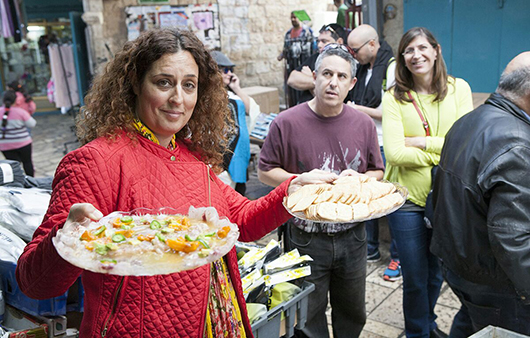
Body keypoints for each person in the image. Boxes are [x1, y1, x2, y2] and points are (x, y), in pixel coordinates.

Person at [15, 28, 337, 338]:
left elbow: (243, 221)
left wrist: (293, 190)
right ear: (135, 83)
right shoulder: (96, 162)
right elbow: (34, 284)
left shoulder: (192, 159)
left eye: (189, 85)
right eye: (164, 82)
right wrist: (67, 239)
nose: (178, 99)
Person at [259, 45, 384, 338]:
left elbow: (377, 171)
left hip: (353, 236)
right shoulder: (286, 122)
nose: (333, 82)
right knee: (307, 316)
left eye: (342, 76)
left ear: (352, 83)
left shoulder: (363, 124)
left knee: (353, 312)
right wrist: (299, 179)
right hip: (305, 236)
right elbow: (264, 172)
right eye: (327, 73)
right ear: (314, 77)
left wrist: (361, 178)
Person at [430, 52, 530, 337]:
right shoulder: (519, 145)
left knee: (473, 319)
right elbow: (513, 240)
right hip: (494, 282)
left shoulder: (469, 120)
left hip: (460, 265)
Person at [382, 27, 473, 338]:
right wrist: (442, 150)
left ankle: (429, 322)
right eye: (408, 50)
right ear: (402, 58)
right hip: (405, 200)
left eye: (422, 47)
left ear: (436, 51)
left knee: (437, 273)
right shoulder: (394, 98)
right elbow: (394, 154)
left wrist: (420, 142)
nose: (416, 55)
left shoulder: (459, 89)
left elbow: (465, 142)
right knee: (415, 275)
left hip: (446, 198)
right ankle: (417, 332)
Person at [347, 24, 401, 281]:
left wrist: (358, 109)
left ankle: (396, 256)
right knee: (365, 196)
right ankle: (369, 249)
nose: (352, 54)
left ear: (372, 44)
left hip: (385, 142)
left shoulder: (391, 68)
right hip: (366, 140)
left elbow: (392, 112)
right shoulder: (364, 69)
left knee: (389, 201)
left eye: (355, 49)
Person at [211, 50, 253, 196]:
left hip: (240, 156)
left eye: (231, 70)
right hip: (226, 160)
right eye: (225, 70)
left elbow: (249, 109)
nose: (229, 73)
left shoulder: (231, 94)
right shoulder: (210, 97)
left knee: (238, 195)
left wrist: (236, 87)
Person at [287, 23, 346, 105]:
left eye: (324, 41)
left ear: (339, 42)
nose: (319, 45)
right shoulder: (317, 57)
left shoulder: (345, 63)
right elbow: (292, 79)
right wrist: (319, 82)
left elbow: (329, 101)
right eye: (318, 41)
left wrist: (311, 79)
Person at [278, 11, 316, 108]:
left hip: (304, 67)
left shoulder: (308, 32)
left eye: (295, 17)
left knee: (303, 90)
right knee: (292, 91)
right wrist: (282, 55)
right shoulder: (288, 34)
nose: (293, 19)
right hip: (291, 66)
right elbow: (286, 48)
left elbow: (314, 50)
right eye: (292, 17)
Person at [0, 90, 36, 176]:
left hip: (5, 145)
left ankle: (17, 183)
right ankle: (31, 183)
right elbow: (32, 124)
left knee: (13, 166)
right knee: (27, 163)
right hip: (23, 143)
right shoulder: (20, 112)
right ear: (16, 100)